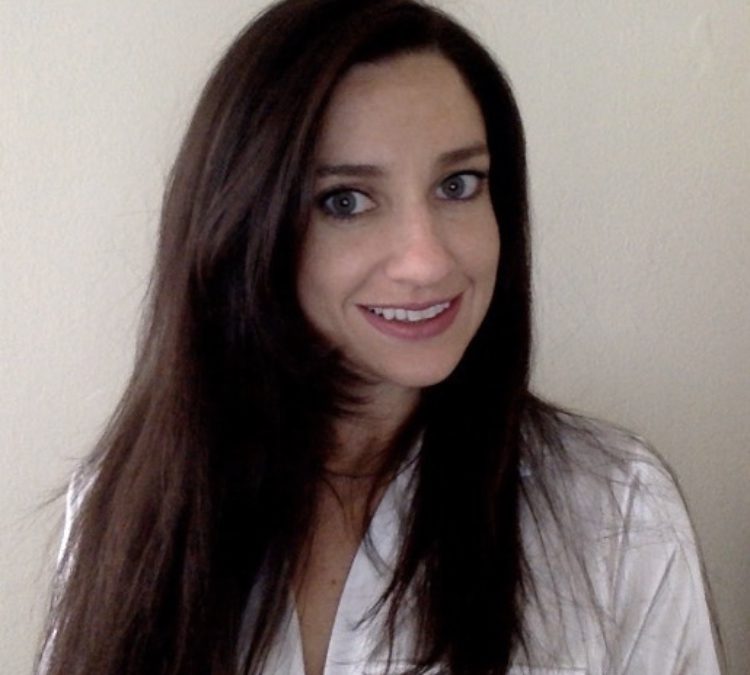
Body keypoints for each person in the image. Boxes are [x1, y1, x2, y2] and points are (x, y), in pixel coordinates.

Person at [37, 1, 722, 673]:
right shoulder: (122, 510)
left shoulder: (615, 509)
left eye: (458, 184)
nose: (426, 260)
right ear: (247, 226)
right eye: (345, 200)